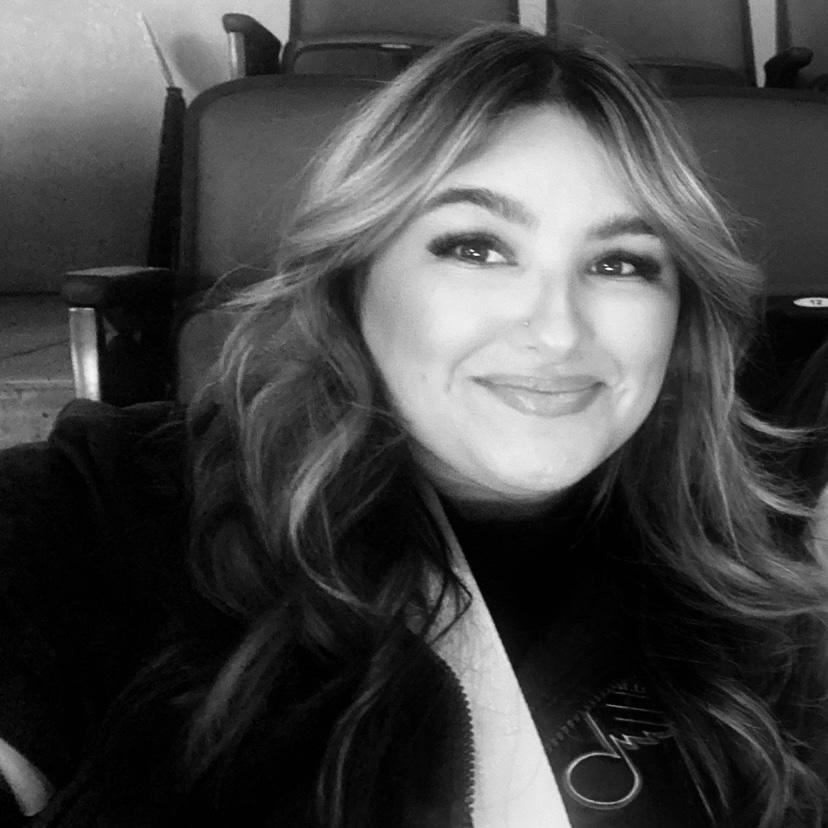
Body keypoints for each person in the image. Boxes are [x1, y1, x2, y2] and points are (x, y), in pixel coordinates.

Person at [1, 23, 828, 828]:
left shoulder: (767, 571)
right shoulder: (116, 512)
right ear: (354, 276)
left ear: (680, 315)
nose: (557, 331)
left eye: (620, 263)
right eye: (476, 248)